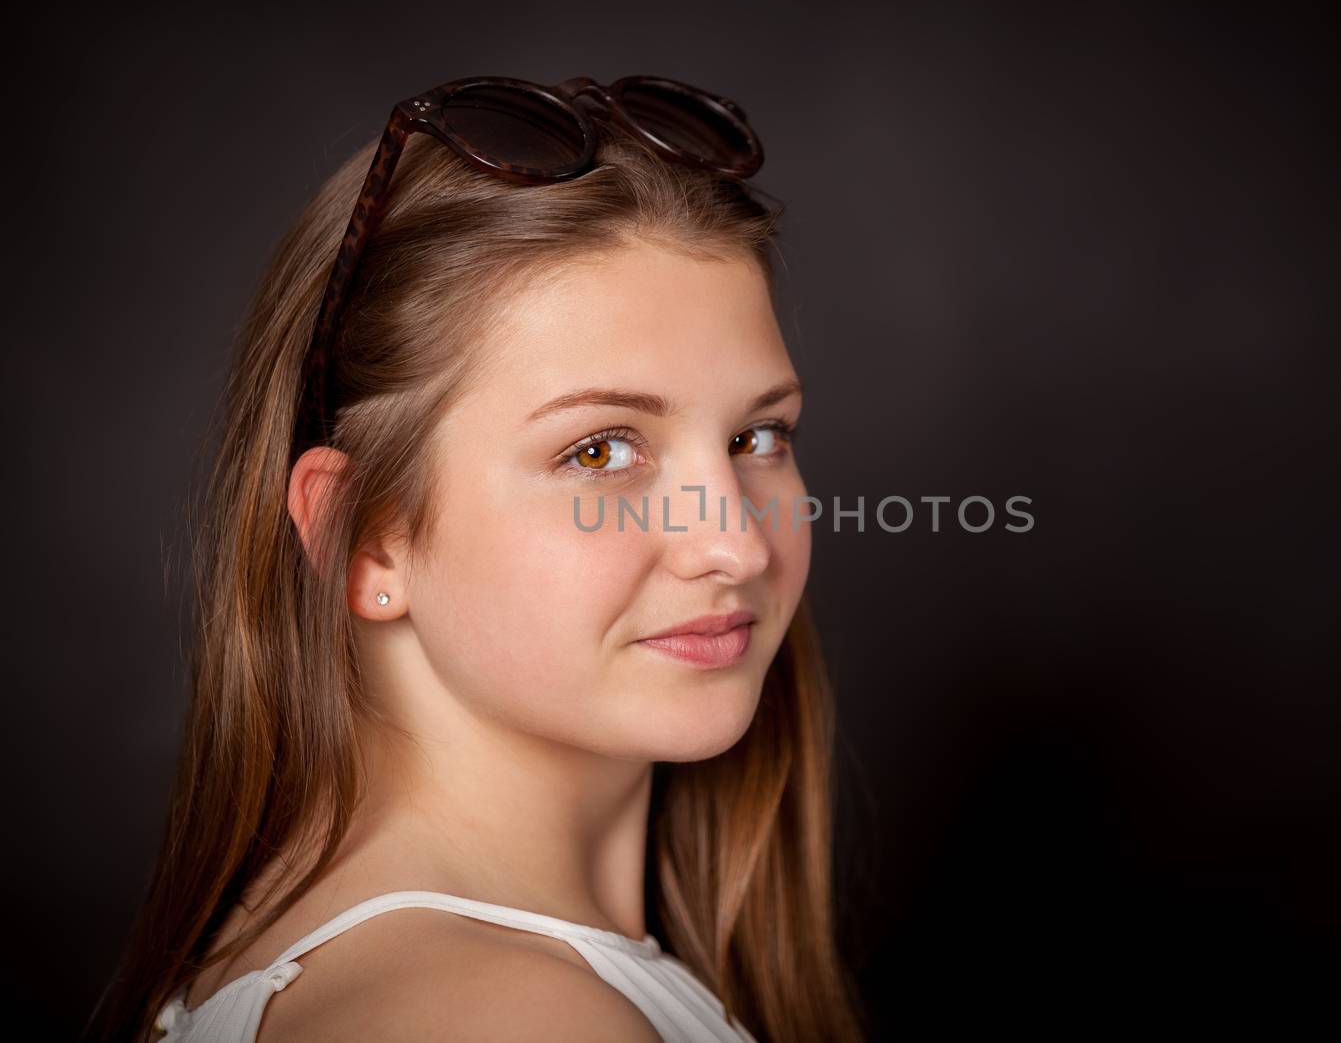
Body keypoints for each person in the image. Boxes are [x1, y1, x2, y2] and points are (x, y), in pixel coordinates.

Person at [84, 75, 868, 1043]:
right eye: (598, 451)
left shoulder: (350, 956)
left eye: (758, 439)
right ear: (364, 538)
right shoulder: (510, 1016)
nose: (734, 542)